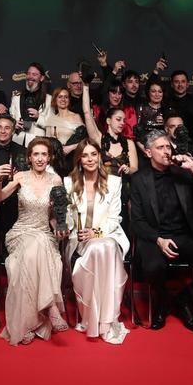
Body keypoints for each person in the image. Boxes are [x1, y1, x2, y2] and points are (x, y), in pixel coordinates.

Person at [129, 130, 193, 333]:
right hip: (155, 237)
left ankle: (185, 299)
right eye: (160, 147)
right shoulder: (139, 179)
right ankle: (161, 302)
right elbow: (137, 222)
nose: (166, 151)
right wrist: (158, 240)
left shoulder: (183, 172)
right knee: (154, 266)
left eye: (168, 146)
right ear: (148, 152)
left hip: (184, 236)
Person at [0, 136, 66, 345]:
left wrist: (61, 228)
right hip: (20, 233)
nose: (40, 158)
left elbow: (55, 215)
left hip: (44, 233)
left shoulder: (56, 180)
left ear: (49, 157)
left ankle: (31, 321)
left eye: (44, 154)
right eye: (36, 154)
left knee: (39, 246)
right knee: (36, 246)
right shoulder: (21, 178)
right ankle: (50, 306)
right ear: (29, 157)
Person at [64, 140, 129, 344]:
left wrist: (97, 232)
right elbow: (67, 221)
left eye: (94, 154)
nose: (90, 159)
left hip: (108, 235)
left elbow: (114, 218)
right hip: (78, 239)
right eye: (85, 155)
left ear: (100, 157)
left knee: (104, 247)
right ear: (79, 160)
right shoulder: (68, 183)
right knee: (97, 249)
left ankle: (106, 321)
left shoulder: (114, 182)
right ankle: (92, 317)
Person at [81, 87, 138, 176]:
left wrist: (128, 170)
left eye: (124, 120)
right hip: (102, 186)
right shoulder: (98, 138)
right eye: (118, 119)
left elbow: (134, 168)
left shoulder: (129, 143)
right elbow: (87, 112)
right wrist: (85, 87)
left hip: (124, 186)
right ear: (108, 121)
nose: (122, 123)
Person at [31, 86, 84, 172]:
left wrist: (70, 148)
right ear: (55, 99)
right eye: (60, 97)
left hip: (73, 159)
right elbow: (47, 143)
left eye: (66, 97)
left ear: (69, 100)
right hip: (56, 163)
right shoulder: (50, 119)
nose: (63, 99)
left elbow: (84, 140)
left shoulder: (76, 117)